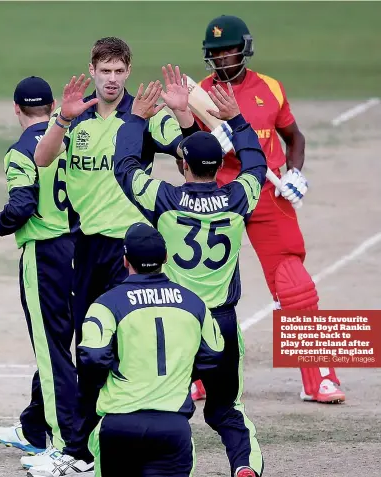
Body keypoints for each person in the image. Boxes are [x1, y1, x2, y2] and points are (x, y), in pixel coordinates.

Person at [30, 38, 198, 472]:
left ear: (127, 71)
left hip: (131, 250)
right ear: (92, 70)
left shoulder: (141, 116)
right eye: (104, 70)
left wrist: (182, 112)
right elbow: (42, 158)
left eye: (118, 71)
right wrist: (61, 121)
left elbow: (190, 152)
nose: (111, 79)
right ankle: (81, 450)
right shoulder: (75, 116)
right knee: (90, 348)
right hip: (87, 247)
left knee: (132, 343)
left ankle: (135, 431)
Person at [112, 76, 266, 477]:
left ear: (183, 165)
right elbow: (256, 164)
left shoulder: (166, 199)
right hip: (224, 320)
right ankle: (245, 467)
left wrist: (135, 118)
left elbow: (125, 169)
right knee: (227, 408)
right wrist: (237, 120)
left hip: (177, 319)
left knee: (168, 407)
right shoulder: (239, 197)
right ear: (216, 166)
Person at [193, 14, 345, 404]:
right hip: (221, 194)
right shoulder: (200, 97)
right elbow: (186, 158)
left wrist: (293, 172)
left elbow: (294, 136)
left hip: (267, 193)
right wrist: (214, 146)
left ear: (243, 49)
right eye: (215, 53)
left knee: (295, 285)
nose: (223, 57)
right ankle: (196, 374)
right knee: (202, 284)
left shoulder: (271, 88)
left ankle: (320, 380)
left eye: (229, 50)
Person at [29, 222, 224, 477]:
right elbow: (215, 355)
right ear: (165, 258)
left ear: (124, 260)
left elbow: (93, 359)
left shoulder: (106, 305)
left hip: (118, 426)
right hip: (173, 428)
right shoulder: (194, 303)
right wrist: (180, 374)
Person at [0, 77, 78, 468]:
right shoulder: (75, 139)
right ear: (54, 104)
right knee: (65, 344)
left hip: (45, 255)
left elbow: (22, 206)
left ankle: (65, 442)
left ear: (16, 109)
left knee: (52, 348)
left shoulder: (22, 150)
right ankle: (34, 427)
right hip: (84, 249)